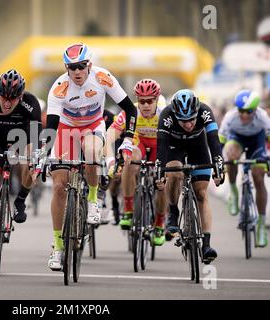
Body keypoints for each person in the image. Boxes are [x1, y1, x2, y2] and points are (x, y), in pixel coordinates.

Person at [43, 43, 137, 271]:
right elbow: (52, 126)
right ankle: (57, 246)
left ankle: (93, 200)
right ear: (66, 68)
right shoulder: (59, 88)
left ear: (89, 65)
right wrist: (43, 155)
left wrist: (127, 139)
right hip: (66, 130)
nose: (77, 72)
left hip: (93, 127)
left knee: (93, 150)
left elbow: (130, 110)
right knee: (58, 187)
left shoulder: (103, 77)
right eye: (71, 67)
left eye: (81, 66)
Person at [0, 69, 42, 260]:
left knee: (31, 163)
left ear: (21, 96)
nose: (7, 102)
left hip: (22, 138)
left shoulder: (31, 103)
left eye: (13, 98)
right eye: (3, 97)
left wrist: (34, 158)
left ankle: (20, 200)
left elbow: (36, 137)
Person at [155, 89, 224, 264]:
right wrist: (160, 173)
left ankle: (206, 245)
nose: (188, 125)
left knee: (201, 193)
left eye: (192, 119)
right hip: (173, 147)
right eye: (183, 121)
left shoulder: (205, 111)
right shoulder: (166, 115)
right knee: (175, 172)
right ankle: (173, 210)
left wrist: (219, 167)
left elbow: (214, 141)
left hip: (197, 147)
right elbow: (161, 148)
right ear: (175, 114)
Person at [105, 79, 167, 246]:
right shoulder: (130, 112)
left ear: (157, 99)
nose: (146, 105)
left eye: (150, 101)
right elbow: (110, 135)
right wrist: (110, 159)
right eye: (142, 101)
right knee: (131, 159)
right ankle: (128, 209)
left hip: (159, 144)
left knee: (163, 180)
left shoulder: (164, 112)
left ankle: (160, 224)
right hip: (139, 142)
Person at [219, 90, 270, 247]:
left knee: (258, 177)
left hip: (256, 142)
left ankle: (261, 225)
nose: (244, 115)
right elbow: (218, 145)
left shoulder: (263, 117)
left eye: (249, 112)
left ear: (256, 110)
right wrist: (220, 163)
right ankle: (233, 191)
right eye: (241, 110)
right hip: (236, 139)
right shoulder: (230, 118)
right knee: (230, 155)